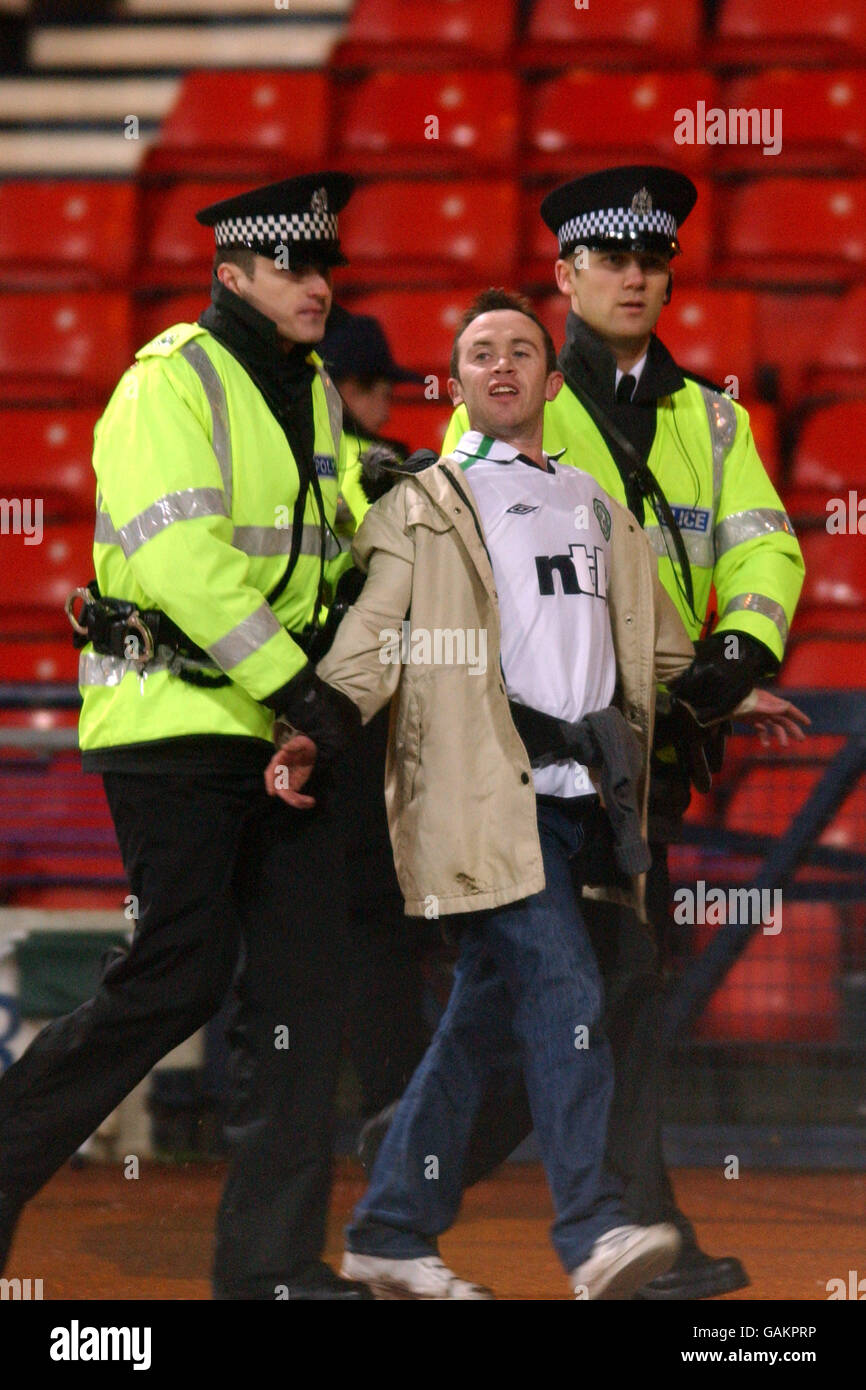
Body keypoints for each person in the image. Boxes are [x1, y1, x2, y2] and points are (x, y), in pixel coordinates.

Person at [266, 290, 805, 1299]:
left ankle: (389, 1227)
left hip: (581, 805)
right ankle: (595, 1229)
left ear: (550, 383)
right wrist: (318, 726)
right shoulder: (424, 503)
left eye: (520, 350)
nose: (501, 365)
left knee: (478, 1029)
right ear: (459, 384)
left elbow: (645, 645)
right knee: (566, 995)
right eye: (478, 354)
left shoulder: (594, 507)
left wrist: (720, 692)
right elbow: (376, 629)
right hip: (483, 801)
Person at [428, 165, 806, 1299]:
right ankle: (583, 1219)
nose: (632, 275)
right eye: (608, 259)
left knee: (587, 986)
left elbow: (764, 549)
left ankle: (428, 1177)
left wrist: (735, 655)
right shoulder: (503, 403)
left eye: (650, 259)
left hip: (650, 752)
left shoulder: (712, 416)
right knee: (592, 983)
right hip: (540, 753)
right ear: (564, 276)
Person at [0, 172, 375, 1301]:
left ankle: (268, 1265)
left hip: (277, 725)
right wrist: (302, 687)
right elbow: (180, 558)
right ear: (235, 274)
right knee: (179, 974)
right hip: (175, 720)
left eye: (324, 268)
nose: (318, 288)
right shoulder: (170, 380)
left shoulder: (307, 386)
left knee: (303, 996)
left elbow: (332, 533)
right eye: (294, 269)